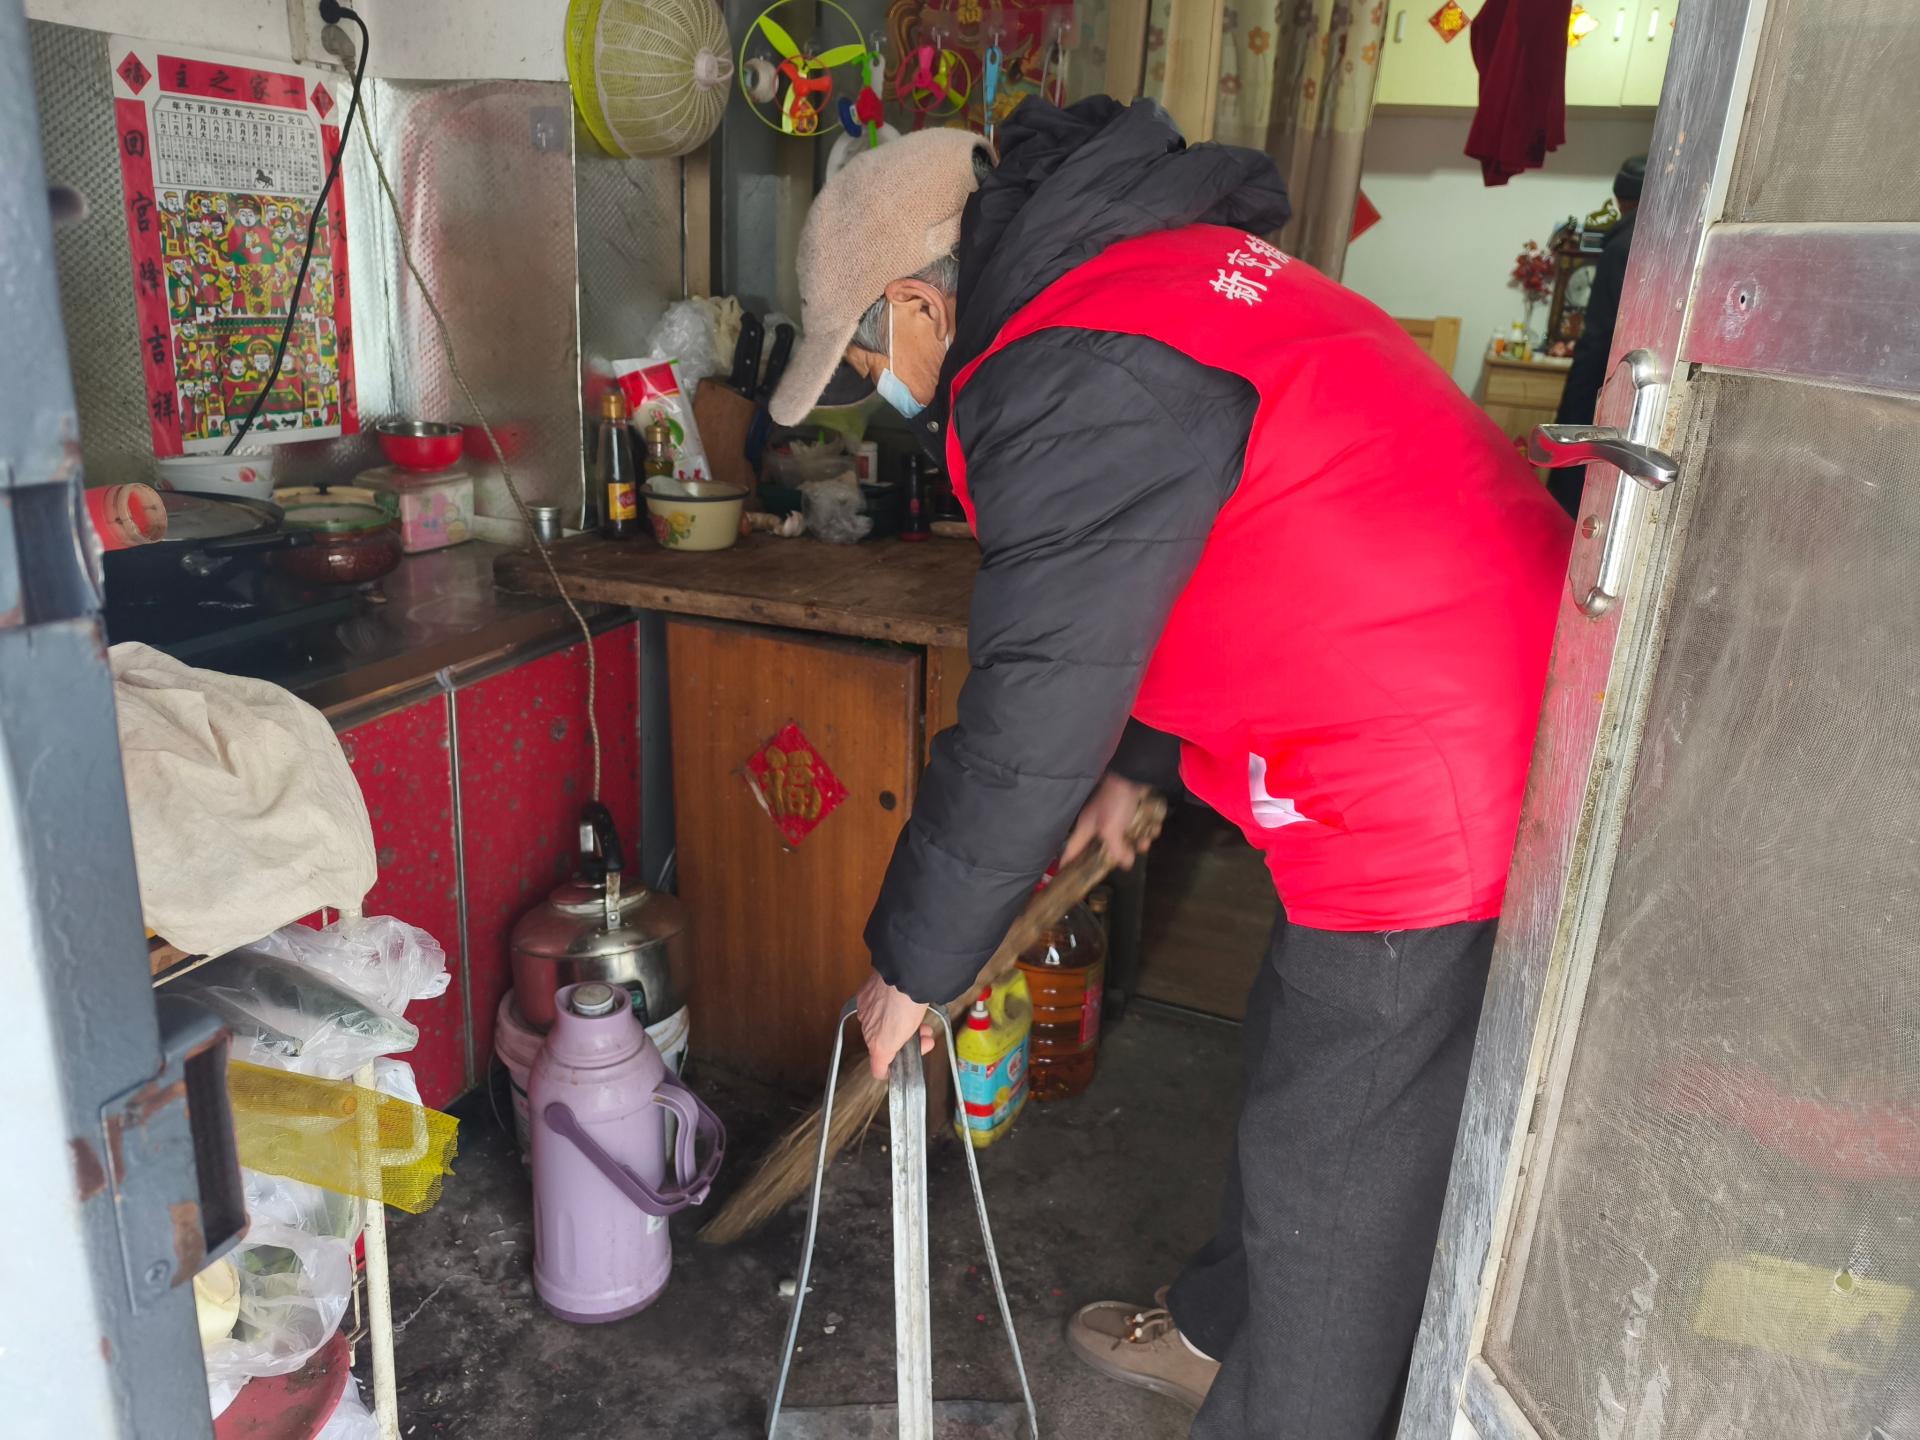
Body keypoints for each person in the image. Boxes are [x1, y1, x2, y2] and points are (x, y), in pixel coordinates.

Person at [768, 98, 1571, 1440]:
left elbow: (1032, 708)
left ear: (916, 301)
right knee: (1305, 1064)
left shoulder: (1065, 364)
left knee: (1337, 1186)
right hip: (1447, 697)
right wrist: (1133, 763)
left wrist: (913, 962)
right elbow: (1172, 560)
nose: (877, 393)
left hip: (1432, 766)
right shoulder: (1145, 276)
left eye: (862, 361)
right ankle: (1214, 1337)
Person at [1550, 154, 1647, 517]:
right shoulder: (1658, 243)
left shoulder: (1621, 248)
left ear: (1620, 199)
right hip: (1637, 390)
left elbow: (1601, 336)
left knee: (1575, 482)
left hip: (1601, 388)